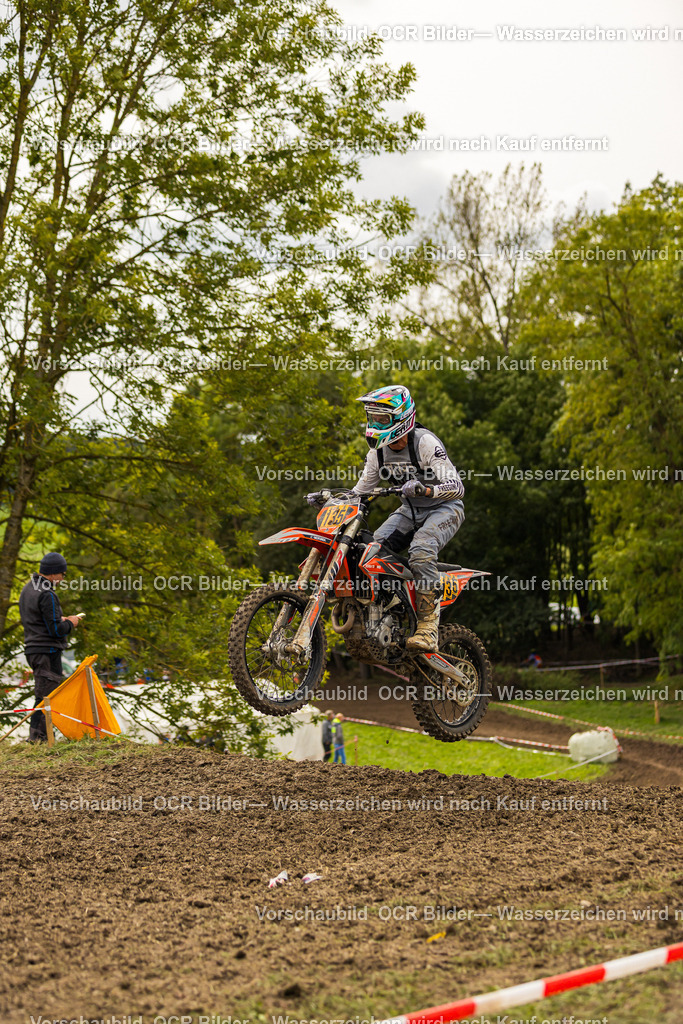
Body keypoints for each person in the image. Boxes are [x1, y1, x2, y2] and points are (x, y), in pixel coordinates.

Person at [351, 385, 465, 653]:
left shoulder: (424, 442)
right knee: (370, 552)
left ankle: (427, 628)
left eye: (381, 419)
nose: (375, 424)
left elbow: (457, 486)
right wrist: (332, 499)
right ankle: (387, 614)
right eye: (372, 418)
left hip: (444, 507)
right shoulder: (377, 452)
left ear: (401, 417)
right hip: (409, 511)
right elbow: (360, 492)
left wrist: (426, 489)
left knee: (422, 549)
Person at [18, 552, 82, 742]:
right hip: (47, 650)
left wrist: (59, 619)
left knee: (44, 693)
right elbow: (56, 630)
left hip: (33, 647)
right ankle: (38, 739)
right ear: (53, 574)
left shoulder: (28, 589)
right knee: (47, 696)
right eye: (62, 574)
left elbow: (38, 620)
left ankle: (42, 737)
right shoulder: (47, 593)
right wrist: (71, 622)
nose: (63, 578)